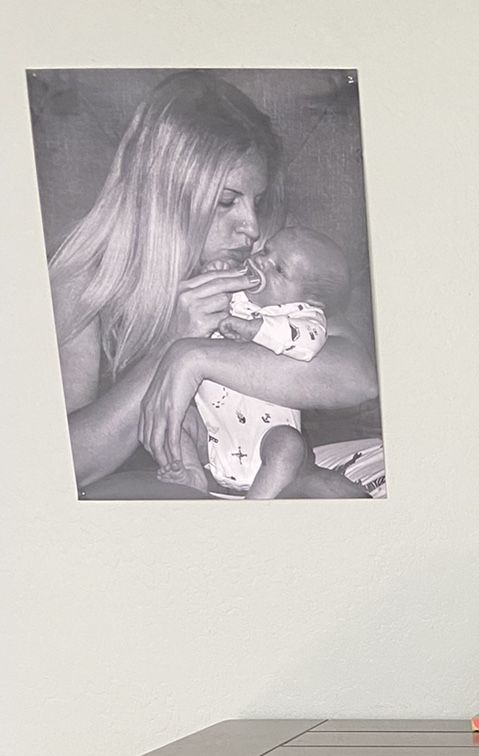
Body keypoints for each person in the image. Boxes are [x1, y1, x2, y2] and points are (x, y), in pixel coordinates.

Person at [46, 70, 379, 499]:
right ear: (167, 193)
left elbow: (357, 376)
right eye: (227, 201)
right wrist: (170, 348)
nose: (251, 226)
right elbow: (65, 463)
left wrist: (197, 356)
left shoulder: (268, 256)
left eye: (255, 201)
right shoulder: (85, 280)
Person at [168, 225, 365, 499]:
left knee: (288, 445)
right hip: (214, 440)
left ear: (310, 300)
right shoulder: (237, 295)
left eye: (279, 270)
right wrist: (216, 275)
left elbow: (306, 343)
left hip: (268, 447)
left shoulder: (304, 317)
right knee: (177, 417)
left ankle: (257, 507)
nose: (262, 261)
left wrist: (255, 329)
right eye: (266, 250)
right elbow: (199, 313)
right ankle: (191, 473)